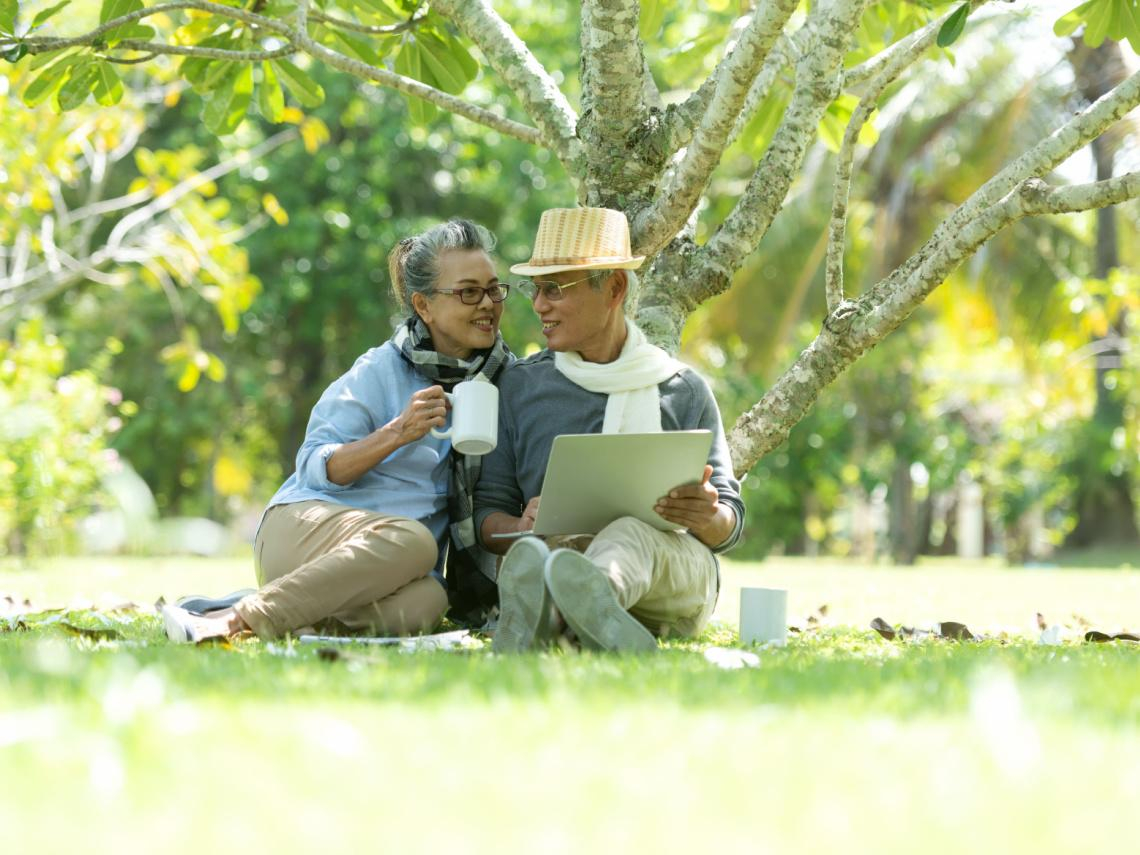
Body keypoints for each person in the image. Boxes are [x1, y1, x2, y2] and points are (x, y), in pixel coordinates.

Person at [162, 219, 512, 643]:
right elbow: (314, 465)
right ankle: (235, 619)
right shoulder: (379, 370)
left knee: (432, 599)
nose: (488, 304)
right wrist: (397, 432)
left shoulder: (503, 378)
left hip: (386, 571)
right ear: (424, 307)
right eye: (468, 292)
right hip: (303, 530)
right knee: (417, 543)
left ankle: (289, 614)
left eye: (494, 289)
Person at [475, 207, 744, 653]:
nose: (539, 305)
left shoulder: (682, 390)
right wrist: (521, 525)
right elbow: (487, 516)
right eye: (535, 290)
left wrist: (708, 515)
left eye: (555, 289)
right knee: (546, 552)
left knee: (628, 534)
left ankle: (556, 615)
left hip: (668, 576)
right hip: (563, 553)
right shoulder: (521, 387)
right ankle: (583, 618)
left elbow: (729, 527)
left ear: (614, 288)